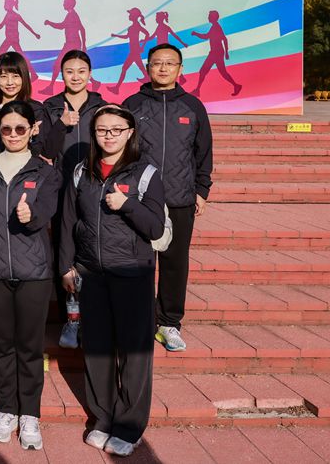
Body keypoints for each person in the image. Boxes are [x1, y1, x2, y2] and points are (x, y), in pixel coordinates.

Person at [59, 105, 165, 457]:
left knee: (134, 354)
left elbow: (155, 228)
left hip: (133, 273)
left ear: (130, 132)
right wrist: (66, 266)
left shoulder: (146, 173)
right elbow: (68, 222)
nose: (109, 136)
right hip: (91, 273)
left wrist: (127, 204)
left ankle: (129, 426)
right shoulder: (81, 172)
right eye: (102, 130)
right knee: (98, 350)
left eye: (116, 130)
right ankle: (103, 417)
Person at [0, 101, 62, 451]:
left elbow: (48, 209)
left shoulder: (45, 171)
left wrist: (31, 215)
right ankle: (6, 410)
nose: (14, 134)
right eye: (7, 128)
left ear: (33, 130)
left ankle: (30, 414)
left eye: (21, 128)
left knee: (30, 347)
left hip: (34, 272)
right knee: (3, 346)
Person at [123, 44, 213, 353]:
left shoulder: (192, 107)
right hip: (140, 199)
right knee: (139, 262)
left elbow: (203, 151)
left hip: (179, 198)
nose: (163, 68)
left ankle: (169, 323)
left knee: (175, 263)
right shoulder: (133, 104)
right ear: (147, 67)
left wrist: (201, 190)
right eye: (157, 63)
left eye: (169, 63)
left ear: (180, 69)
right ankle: (141, 319)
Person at [42, 50, 108, 349]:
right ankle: (70, 319)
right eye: (70, 71)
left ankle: (93, 315)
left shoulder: (102, 107)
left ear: (90, 74)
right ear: (62, 74)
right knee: (64, 251)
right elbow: (45, 149)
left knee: (92, 250)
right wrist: (61, 124)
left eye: (81, 71)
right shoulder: (51, 107)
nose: (76, 76)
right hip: (61, 190)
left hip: (95, 190)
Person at [0, 51, 61, 161]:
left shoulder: (36, 110)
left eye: (15, 76)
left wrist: (32, 137)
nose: (10, 82)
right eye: (3, 76)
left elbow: (42, 154)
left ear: (24, 77)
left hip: (25, 170)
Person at [42, 0, 91, 95]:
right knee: (71, 66)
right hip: (70, 43)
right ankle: (95, 82)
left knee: (58, 65)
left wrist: (84, 45)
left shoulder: (72, 15)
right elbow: (68, 27)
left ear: (70, 4)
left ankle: (50, 88)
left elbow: (79, 28)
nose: (63, 4)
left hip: (72, 44)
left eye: (65, 2)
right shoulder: (71, 14)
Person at [191, 10, 242, 97]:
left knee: (204, 71)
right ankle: (236, 86)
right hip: (215, 53)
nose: (208, 17)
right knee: (220, 72)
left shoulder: (216, 27)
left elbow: (223, 39)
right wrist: (196, 34)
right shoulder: (214, 27)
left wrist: (226, 52)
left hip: (216, 53)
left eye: (209, 16)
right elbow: (207, 36)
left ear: (213, 17)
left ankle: (197, 90)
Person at [0, 0, 40, 83]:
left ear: (10, 5)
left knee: (17, 56)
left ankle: (34, 74)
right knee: (0, 54)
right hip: (9, 38)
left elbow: (25, 25)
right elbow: (1, 26)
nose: (4, 6)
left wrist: (34, 33)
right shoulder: (8, 15)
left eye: (6, 4)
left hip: (13, 39)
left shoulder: (15, 15)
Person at [108, 8, 150, 95]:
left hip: (135, 51)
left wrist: (142, 46)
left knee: (125, 68)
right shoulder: (132, 27)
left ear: (134, 16)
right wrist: (116, 35)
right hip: (133, 51)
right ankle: (116, 88)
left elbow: (147, 34)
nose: (129, 16)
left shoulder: (136, 26)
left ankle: (116, 88)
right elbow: (127, 37)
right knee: (139, 68)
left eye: (130, 14)